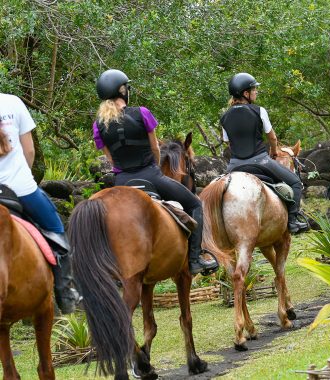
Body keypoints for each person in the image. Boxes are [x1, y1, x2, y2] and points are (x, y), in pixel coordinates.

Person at [93, 69, 218, 275]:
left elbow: (110, 159)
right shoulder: (142, 113)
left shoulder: (98, 125)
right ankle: (195, 259)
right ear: (123, 90)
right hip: (151, 175)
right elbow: (155, 148)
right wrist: (154, 168)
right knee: (195, 204)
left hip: (122, 181)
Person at [0, 92, 80, 314]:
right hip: (21, 190)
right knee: (56, 230)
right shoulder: (13, 102)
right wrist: (20, 176)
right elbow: (30, 151)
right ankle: (65, 294)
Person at [220, 72, 309, 234]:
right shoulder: (259, 111)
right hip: (260, 161)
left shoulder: (224, 117)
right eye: (253, 89)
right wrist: (274, 152)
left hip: (234, 165)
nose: (256, 92)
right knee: (295, 182)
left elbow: (228, 142)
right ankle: (293, 220)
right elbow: (272, 137)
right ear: (245, 93)